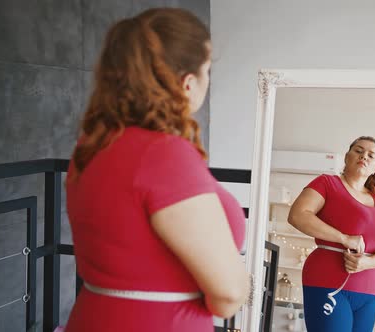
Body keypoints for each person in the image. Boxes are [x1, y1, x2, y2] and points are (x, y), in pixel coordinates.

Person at [64, 8, 249, 332]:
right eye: (208, 70)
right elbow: (228, 295)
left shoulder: (92, 144)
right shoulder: (163, 155)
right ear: (187, 82)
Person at [288, 136, 375, 332]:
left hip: (368, 288)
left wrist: (368, 262)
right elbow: (297, 215)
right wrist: (344, 238)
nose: (364, 156)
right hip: (328, 279)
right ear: (347, 157)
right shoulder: (327, 183)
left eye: (371, 155)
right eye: (358, 151)